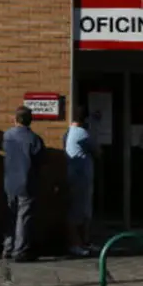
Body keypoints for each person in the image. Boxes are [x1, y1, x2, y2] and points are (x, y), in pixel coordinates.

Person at [3, 106, 45, 262]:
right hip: (27, 182)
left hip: (9, 182)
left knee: (11, 215)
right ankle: (20, 251)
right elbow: (40, 160)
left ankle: (8, 247)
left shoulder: (7, 135)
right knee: (24, 218)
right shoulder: (34, 139)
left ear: (15, 119)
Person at [64, 105, 100, 257]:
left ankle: (84, 242)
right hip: (81, 179)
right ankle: (76, 244)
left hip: (74, 176)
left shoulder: (68, 133)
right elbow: (98, 152)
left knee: (81, 212)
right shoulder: (82, 134)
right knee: (79, 212)